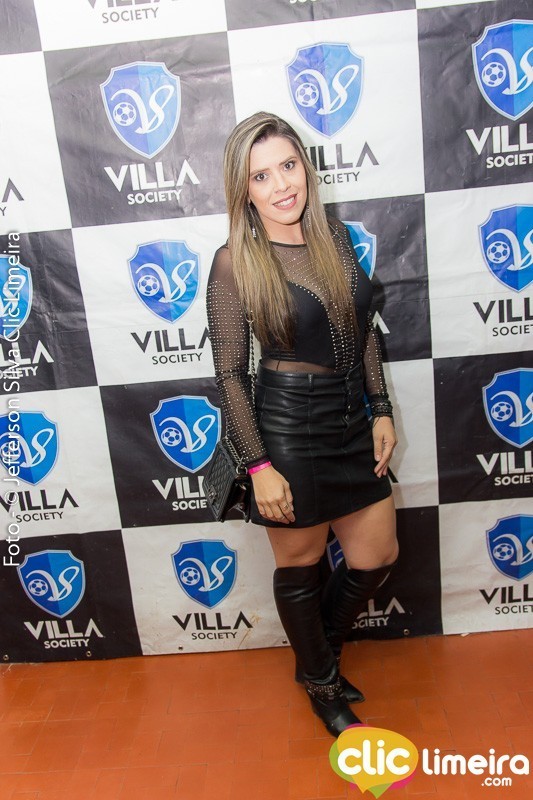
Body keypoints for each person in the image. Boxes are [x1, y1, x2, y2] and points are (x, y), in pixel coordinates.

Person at [206, 111, 399, 737]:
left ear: (305, 168)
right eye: (261, 176)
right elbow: (230, 375)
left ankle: (320, 655)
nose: (281, 184)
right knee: (302, 563)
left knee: (376, 554)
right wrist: (259, 466)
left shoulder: (334, 238)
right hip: (288, 429)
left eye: (288, 165)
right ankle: (321, 683)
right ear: (244, 190)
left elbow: (361, 331)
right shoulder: (234, 262)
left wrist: (380, 407)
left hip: (351, 420)